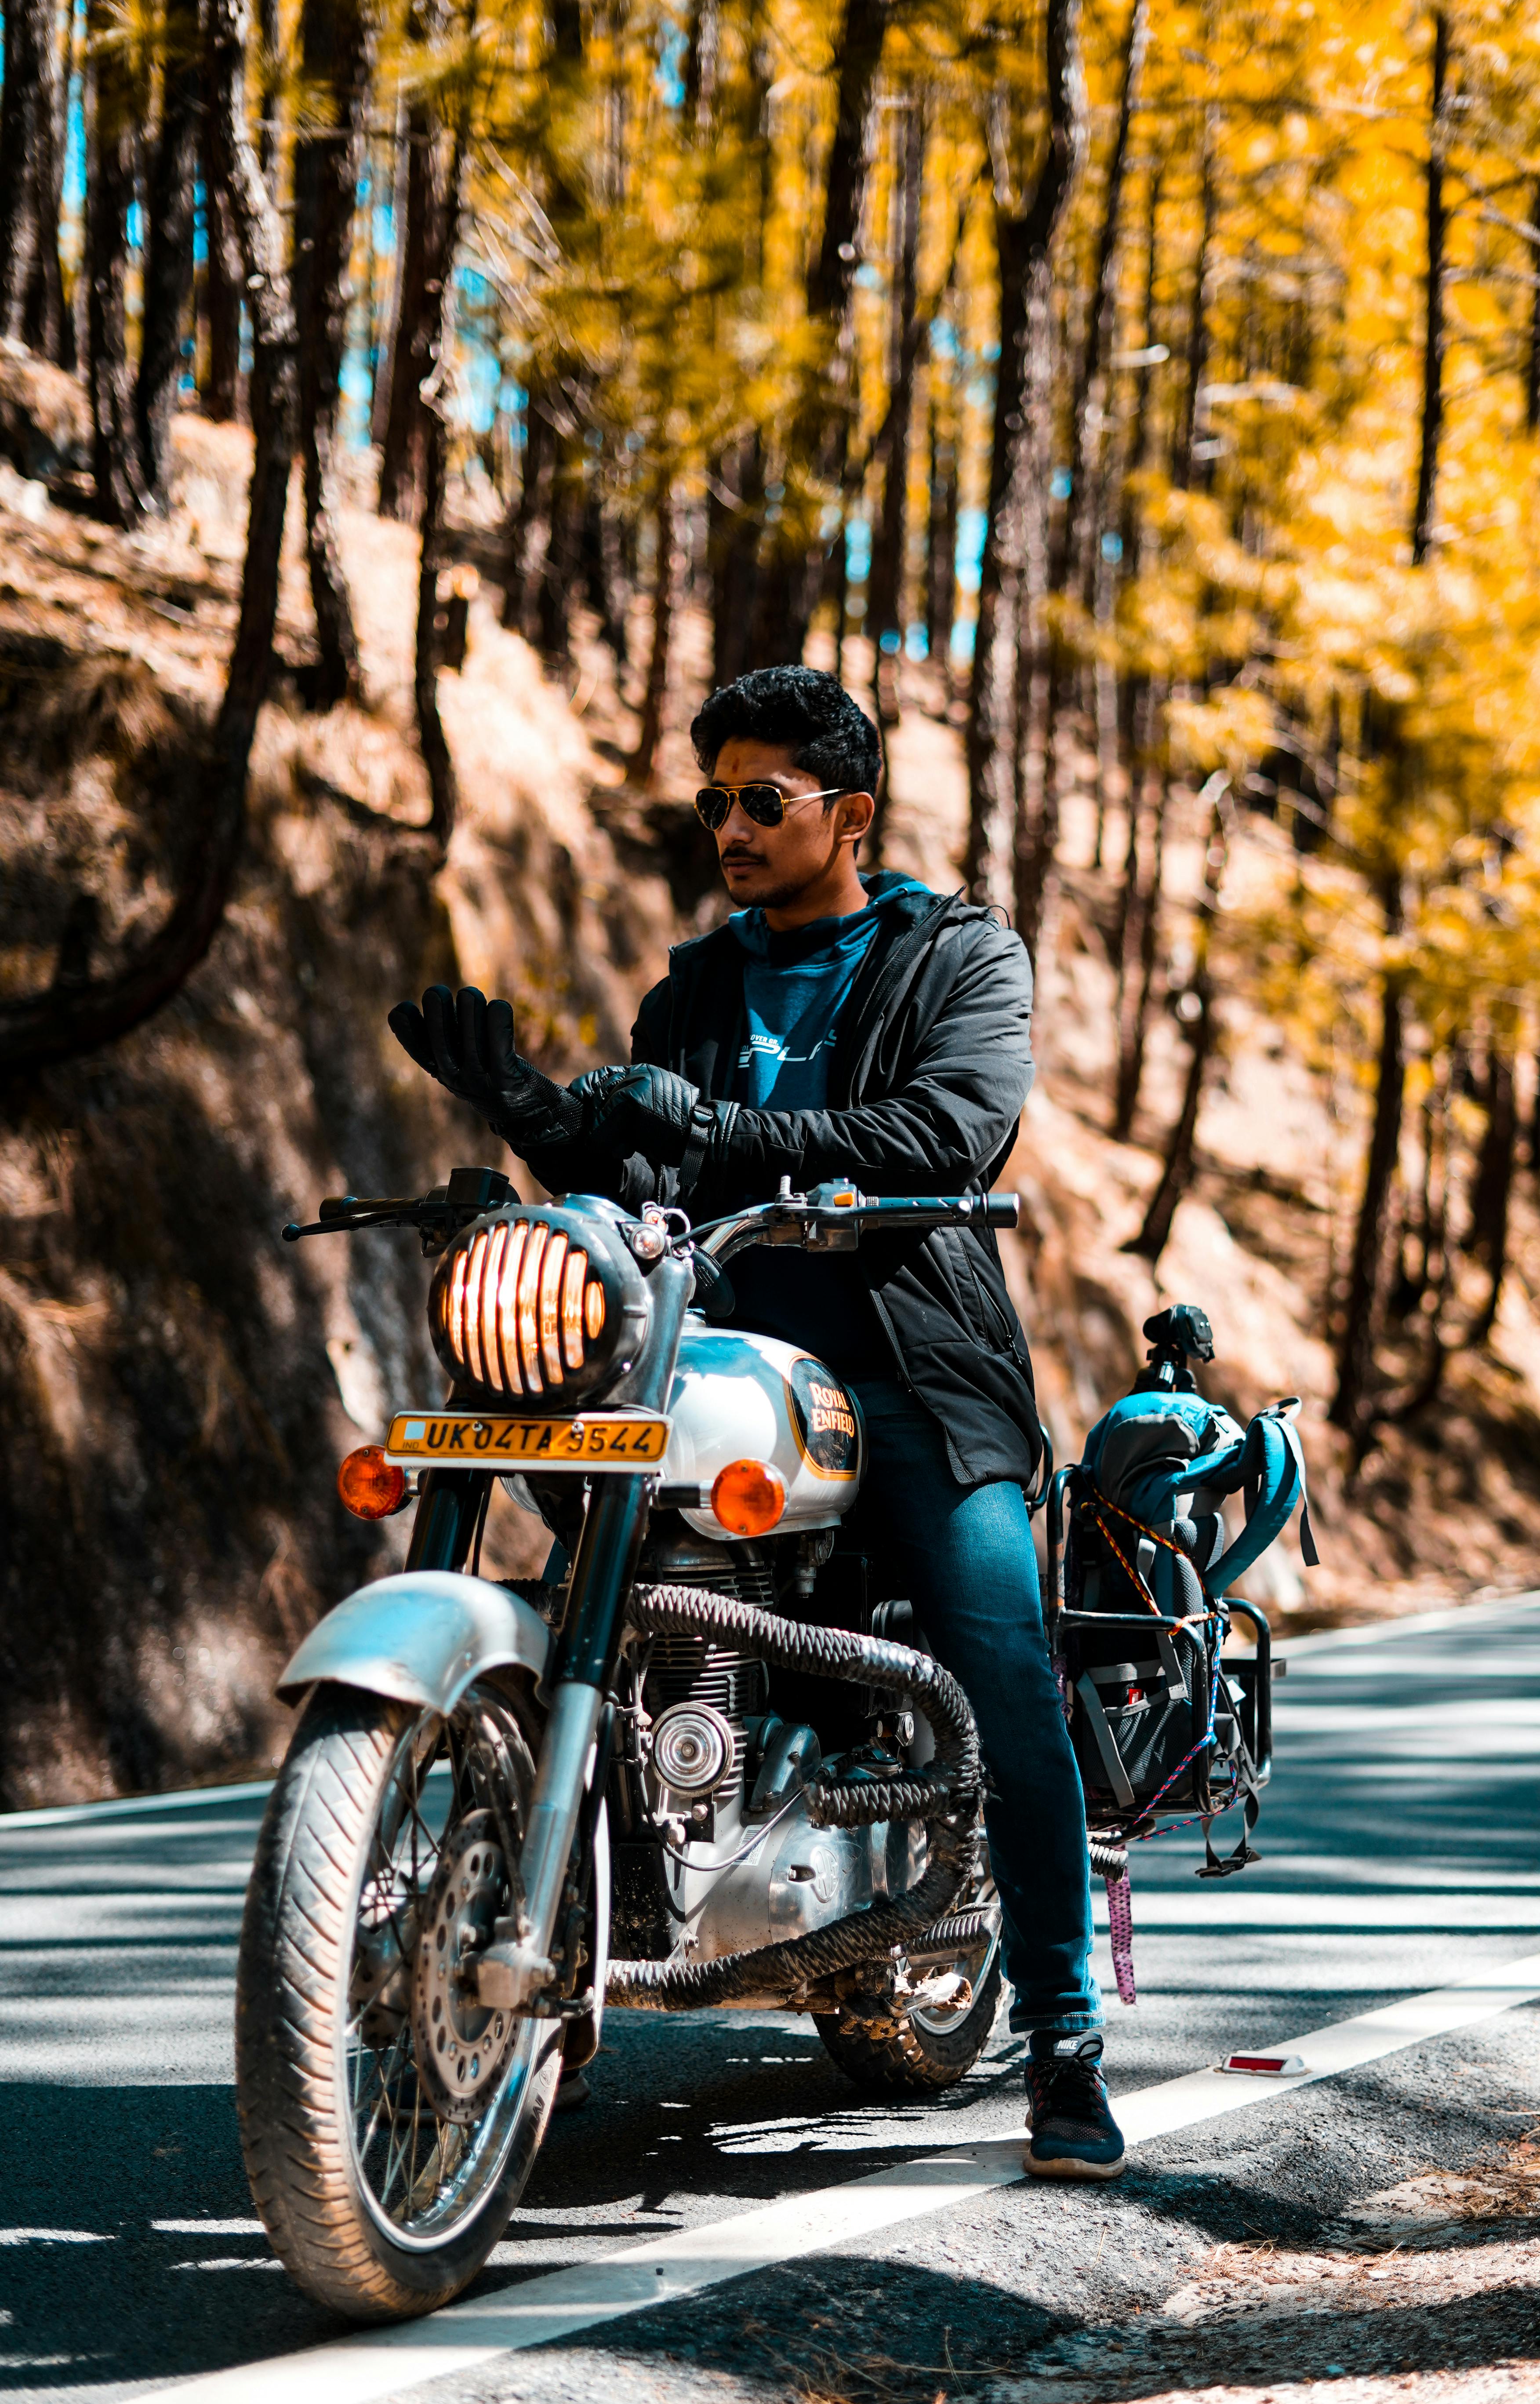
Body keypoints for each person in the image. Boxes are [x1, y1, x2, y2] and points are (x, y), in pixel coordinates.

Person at [388, 664, 1126, 2179]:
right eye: (712, 797)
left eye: (762, 800)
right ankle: (556, 1969)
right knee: (586, 1594)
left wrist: (720, 1132)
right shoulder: (702, 980)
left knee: (998, 1642)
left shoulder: (957, 956)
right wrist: (534, 1113)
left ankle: (1061, 2032)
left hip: (912, 1362)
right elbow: (648, 1170)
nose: (727, 823)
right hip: (711, 1355)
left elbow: (946, 1131)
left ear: (849, 814)